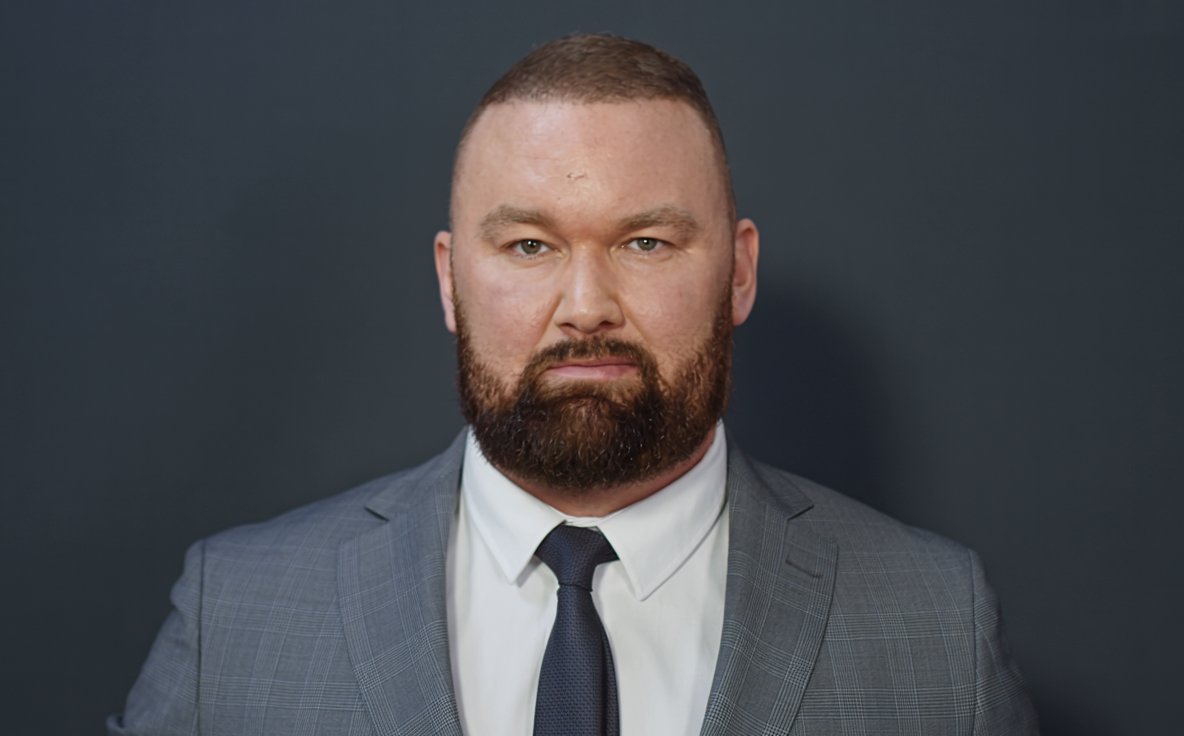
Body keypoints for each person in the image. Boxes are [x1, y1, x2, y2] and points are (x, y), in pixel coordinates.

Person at [109, 34, 1038, 735]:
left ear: (739, 272)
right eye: (529, 246)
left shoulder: (934, 623)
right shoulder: (238, 614)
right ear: (449, 281)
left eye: (646, 242)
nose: (586, 307)